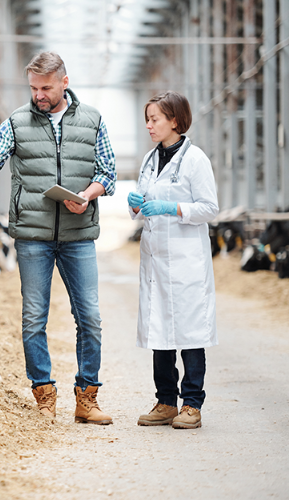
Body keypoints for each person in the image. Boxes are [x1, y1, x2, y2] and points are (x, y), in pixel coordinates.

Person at [0, 51, 116, 424]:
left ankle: (87, 398)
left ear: (65, 82)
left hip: (79, 235)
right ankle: (44, 395)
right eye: (33, 88)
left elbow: (107, 170)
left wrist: (88, 195)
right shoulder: (17, 122)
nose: (39, 95)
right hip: (33, 236)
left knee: (90, 317)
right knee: (34, 317)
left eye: (46, 87)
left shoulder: (93, 119)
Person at [127, 91, 218, 430]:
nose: (149, 125)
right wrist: (135, 205)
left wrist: (173, 208)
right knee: (159, 331)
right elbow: (140, 208)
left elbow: (209, 208)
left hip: (186, 260)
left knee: (190, 333)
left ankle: (192, 404)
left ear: (175, 121)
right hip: (155, 259)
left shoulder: (196, 160)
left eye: (155, 119)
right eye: (147, 119)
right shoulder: (150, 161)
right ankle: (166, 401)